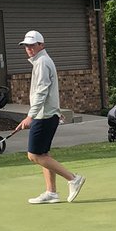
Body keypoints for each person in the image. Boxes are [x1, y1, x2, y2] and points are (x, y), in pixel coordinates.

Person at [14, 30, 85, 205]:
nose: (29, 48)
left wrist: (30, 116)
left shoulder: (42, 62)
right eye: (26, 46)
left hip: (43, 116)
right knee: (43, 153)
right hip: (47, 114)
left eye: (32, 45)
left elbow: (42, 91)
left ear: (41, 45)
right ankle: (51, 192)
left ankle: (73, 178)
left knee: (34, 155)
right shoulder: (41, 61)